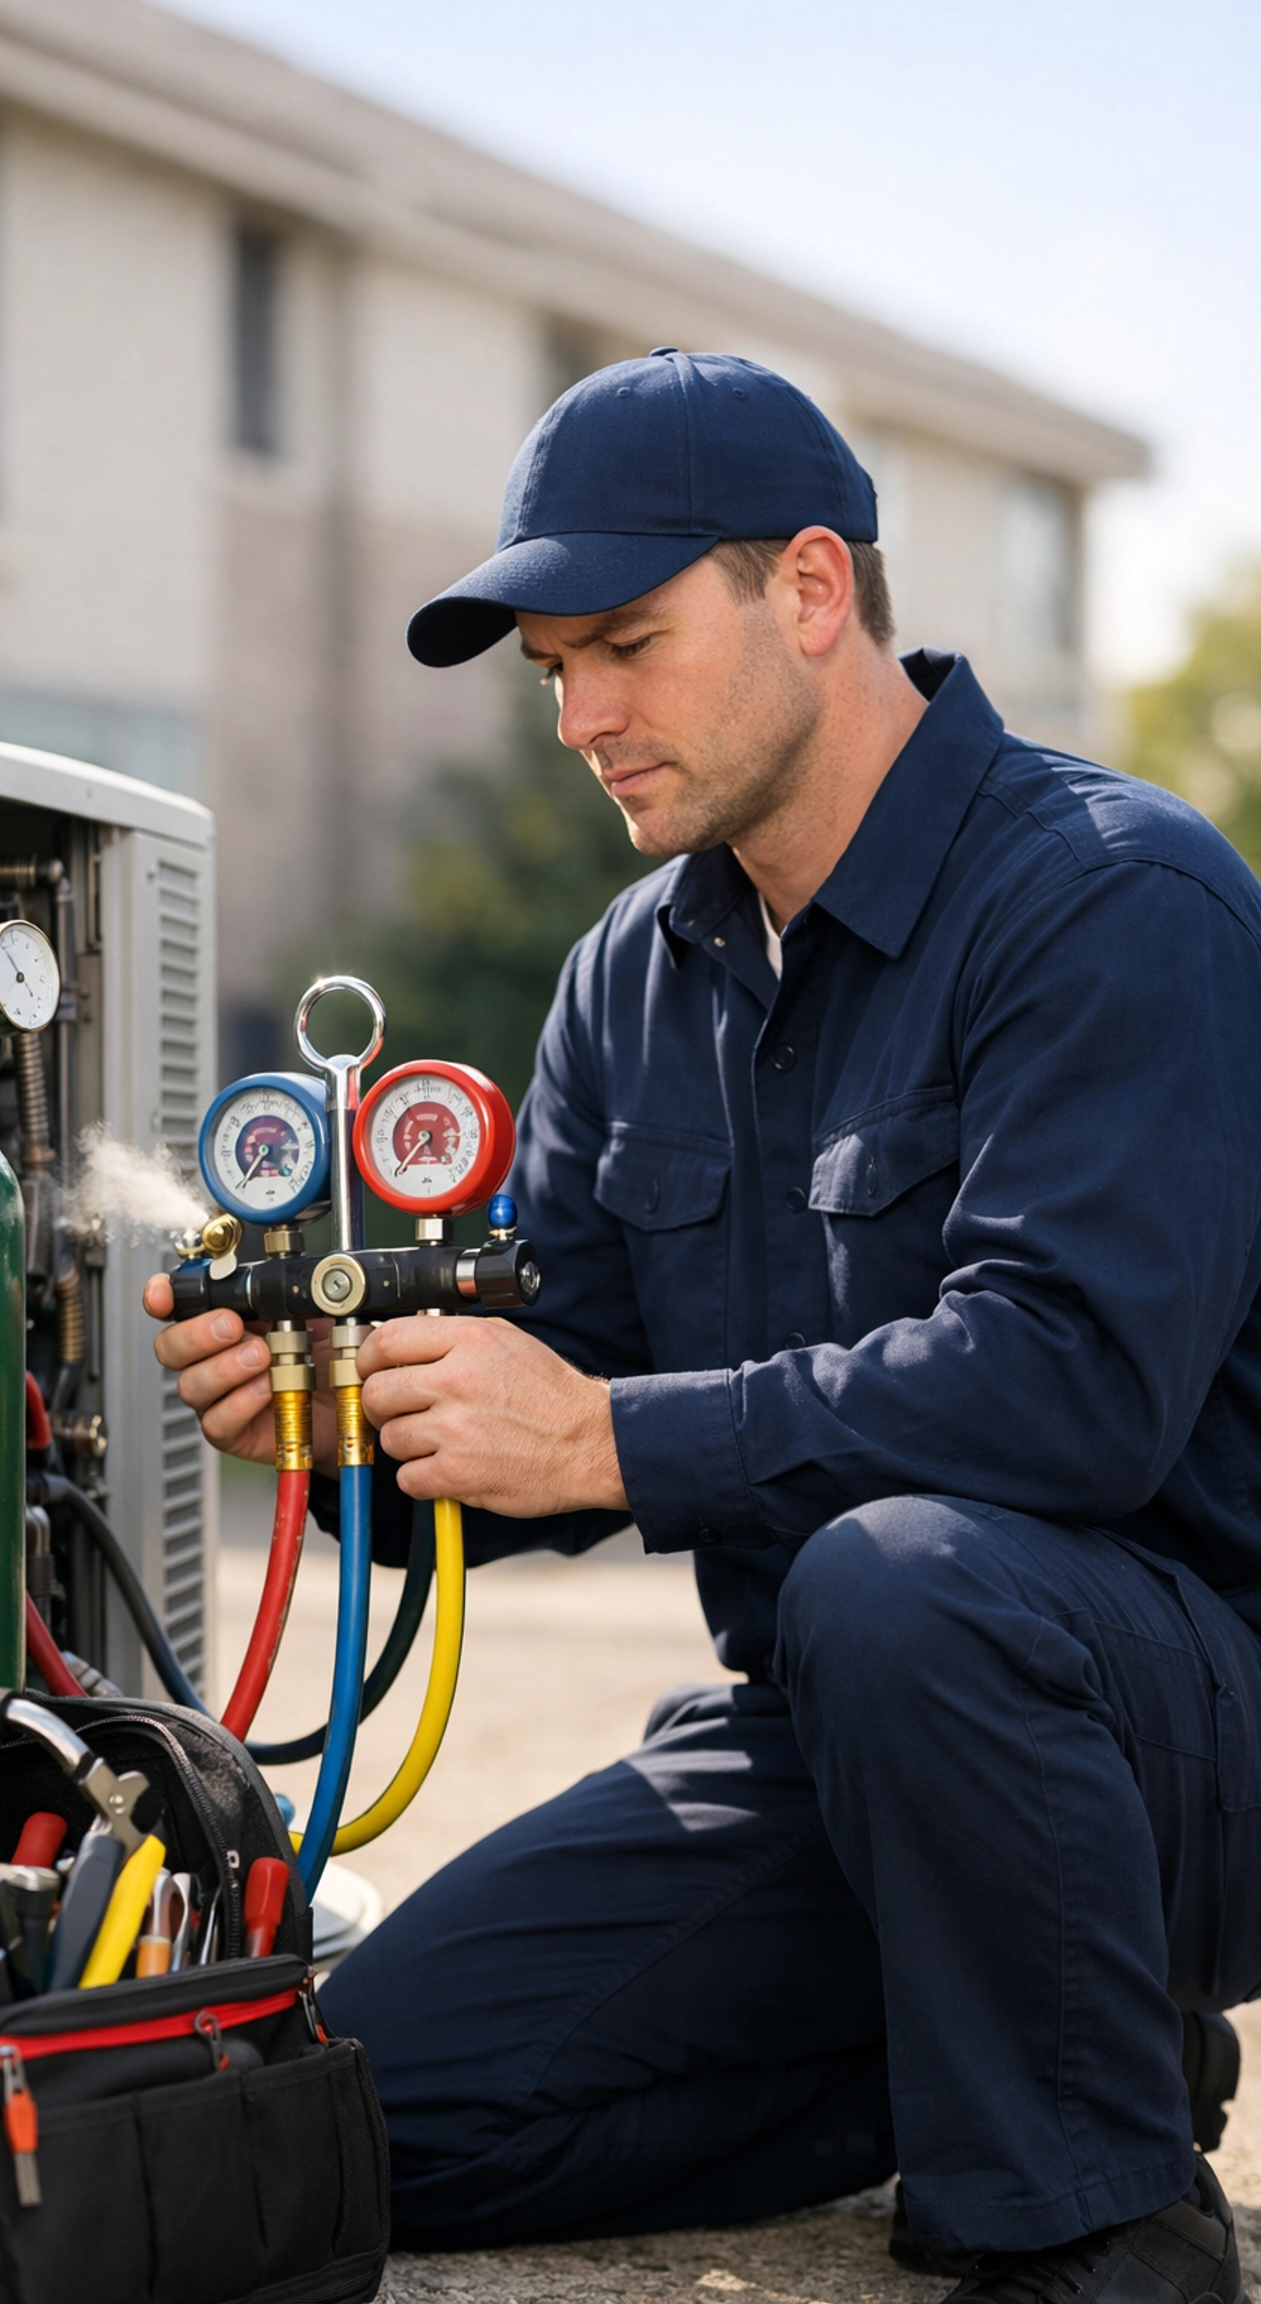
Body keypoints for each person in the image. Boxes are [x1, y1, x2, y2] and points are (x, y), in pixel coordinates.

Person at [146, 351, 1261, 2303]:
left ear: (812, 590)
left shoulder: (1114, 899)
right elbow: (553, 1396)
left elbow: (1073, 1388)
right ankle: (1018, 2049)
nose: (580, 718)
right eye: (551, 669)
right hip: (836, 1751)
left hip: (1165, 1741)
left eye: (627, 647)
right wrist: (339, 1425)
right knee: (361, 2111)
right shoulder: (633, 975)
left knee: (896, 1583)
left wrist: (606, 1438)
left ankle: (1098, 2221)